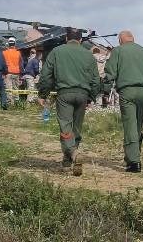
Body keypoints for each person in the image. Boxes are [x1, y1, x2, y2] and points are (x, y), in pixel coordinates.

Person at [38, 27, 100, 176]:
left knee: (66, 128)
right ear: (80, 39)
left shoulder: (57, 52)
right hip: (83, 94)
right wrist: (91, 96)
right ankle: (67, 163)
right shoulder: (88, 55)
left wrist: (43, 94)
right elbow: (96, 80)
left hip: (64, 94)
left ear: (66, 38)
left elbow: (46, 75)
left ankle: (72, 153)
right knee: (76, 130)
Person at [103, 30, 143, 173]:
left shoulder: (118, 51)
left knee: (130, 125)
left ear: (120, 41)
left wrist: (105, 90)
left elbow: (110, 73)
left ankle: (134, 162)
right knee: (138, 124)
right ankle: (135, 154)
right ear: (133, 39)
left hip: (127, 91)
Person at [3, 37, 24, 104]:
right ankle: (16, 102)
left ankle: (10, 102)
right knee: (16, 88)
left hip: (8, 73)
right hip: (17, 73)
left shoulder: (4, 52)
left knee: (9, 88)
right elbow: (21, 64)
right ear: (15, 44)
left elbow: (2, 64)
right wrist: (21, 74)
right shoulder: (18, 53)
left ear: (8, 44)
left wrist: (2, 73)